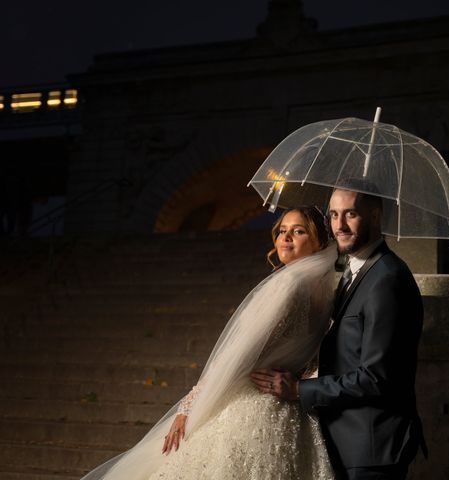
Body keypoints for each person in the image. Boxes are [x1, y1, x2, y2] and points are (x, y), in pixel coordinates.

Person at [81, 207, 337, 480]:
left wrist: (189, 408)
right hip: (292, 411)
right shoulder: (329, 291)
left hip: (249, 405)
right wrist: (298, 385)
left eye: (298, 231)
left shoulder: (287, 284)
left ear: (319, 241)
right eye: (282, 231)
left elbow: (237, 355)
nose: (286, 238)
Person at [252, 187, 426, 480]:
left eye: (351, 214)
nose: (340, 225)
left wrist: (299, 390)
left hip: (370, 448)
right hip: (347, 441)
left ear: (375, 215)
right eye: (333, 215)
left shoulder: (387, 279)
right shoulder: (355, 272)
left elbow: (376, 377)